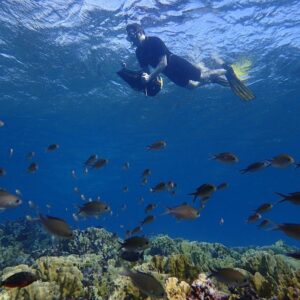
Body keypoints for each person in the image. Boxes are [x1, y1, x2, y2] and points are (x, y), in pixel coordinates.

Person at [125, 23, 255, 101]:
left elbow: (163, 63)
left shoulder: (154, 41)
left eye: (133, 34)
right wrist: (140, 78)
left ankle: (227, 70)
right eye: (129, 36)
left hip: (175, 63)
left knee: (202, 76)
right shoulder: (138, 52)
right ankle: (213, 79)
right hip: (169, 73)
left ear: (141, 32)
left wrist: (149, 78)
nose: (131, 38)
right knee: (191, 87)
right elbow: (146, 71)